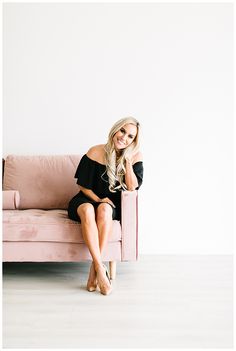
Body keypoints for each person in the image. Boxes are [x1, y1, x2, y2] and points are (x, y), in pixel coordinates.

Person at [68, 117, 143, 295]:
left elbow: (132, 187)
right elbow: (82, 185)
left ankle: (94, 270)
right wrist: (99, 198)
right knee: (88, 209)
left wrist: (127, 162)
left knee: (105, 209)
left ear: (134, 141)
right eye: (122, 131)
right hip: (86, 199)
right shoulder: (95, 151)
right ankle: (100, 270)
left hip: (108, 206)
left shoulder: (136, 157)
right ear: (115, 130)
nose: (124, 138)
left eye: (130, 136)